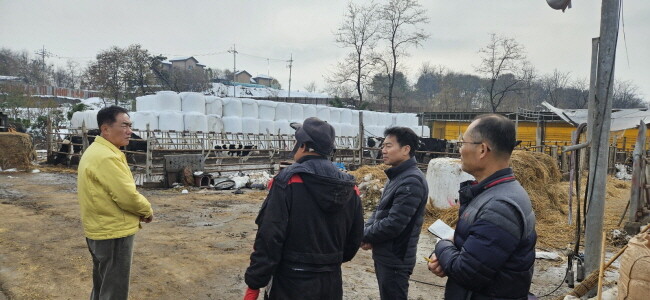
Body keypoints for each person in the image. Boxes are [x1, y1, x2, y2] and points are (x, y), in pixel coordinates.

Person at [243, 117, 364, 300]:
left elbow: (270, 236)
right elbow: (354, 240)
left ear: (304, 146)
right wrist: (327, 262)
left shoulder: (288, 180)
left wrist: (255, 281)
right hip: (330, 283)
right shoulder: (350, 187)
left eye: (296, 141)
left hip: (290, 282)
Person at [428, 114, 537, 299]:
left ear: (482, 150)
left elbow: (467, 272)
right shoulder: (491, 193)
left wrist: (441, 245)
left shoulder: (500, 207)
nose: (460, 150)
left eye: (463, 143)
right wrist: (446, 256)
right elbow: (473, 247)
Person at [77, 105, 154, 300]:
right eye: (125, 126)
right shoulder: (106, 157)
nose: (130, 132)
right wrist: (146, 210)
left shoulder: (97, 151)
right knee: (114, 291)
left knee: (103, 284)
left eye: (130, 126)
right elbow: (127, 196)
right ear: (105, 129)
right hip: (113, 231)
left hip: (101, 228)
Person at [361, 127, 428, 300]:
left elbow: (394, 224)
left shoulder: (411, 181)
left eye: (388, 146)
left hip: (396, 257)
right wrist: (367, 234)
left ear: (406, 149)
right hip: (386, 253)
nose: (383, 150)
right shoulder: (398, 176)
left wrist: (363, 235)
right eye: (383, 146)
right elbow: (379, 210)